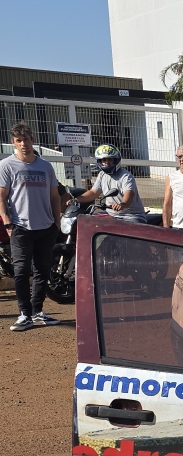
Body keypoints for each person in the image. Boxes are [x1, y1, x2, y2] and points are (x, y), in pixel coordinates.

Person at [0, 120, 63, 331]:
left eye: (26, 139)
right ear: (13, 143)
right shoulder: (7, 165)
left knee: (42, 271)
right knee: (20, 271)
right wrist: (7, 221)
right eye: (19, 140)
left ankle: (37, 312)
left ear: (32, 141)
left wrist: (57, 221)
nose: (23, 144)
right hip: (20, 228)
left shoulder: (45, 166)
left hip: (46, 227)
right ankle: (24, 314)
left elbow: (54, 196)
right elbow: (2, 197)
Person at [73, 144, 146, 222]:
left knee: (126, 232)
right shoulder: (102, 175)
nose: (107, 162)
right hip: (111, 214)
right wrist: (76, 200)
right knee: (89, 222)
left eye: (110, 159)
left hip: (131, 216)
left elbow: (129, 194)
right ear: (100, 161)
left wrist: (122, 204)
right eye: (104, 160)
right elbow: (94, 192)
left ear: (116, 160)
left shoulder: (126, 176)